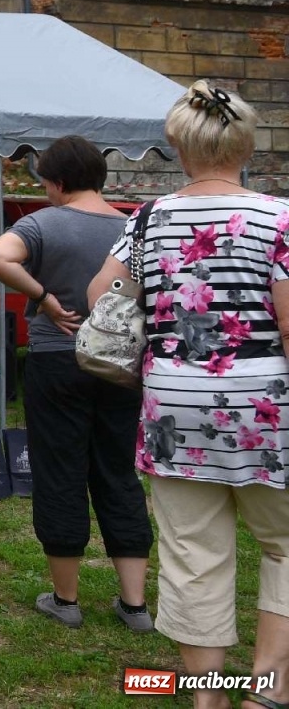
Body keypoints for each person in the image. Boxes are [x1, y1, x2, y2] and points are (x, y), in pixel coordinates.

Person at [88, 82, 289, 709]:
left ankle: (210, 698)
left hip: (174, 407)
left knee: (192, 552)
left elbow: (104, 299)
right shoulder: (280, 218)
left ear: (179, 148)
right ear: (245, 145)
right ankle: (269, 690)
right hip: (265, 408)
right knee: (284, 545)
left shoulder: (146, 220)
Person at [0, 135, 153, 632]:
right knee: (118, 472)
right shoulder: (132, 226)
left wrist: (44, 297)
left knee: (60, 470)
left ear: (57, 183)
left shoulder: (41, 223)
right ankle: (135, 604)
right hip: (122, 365)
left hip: (58, 360)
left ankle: (67, 598)